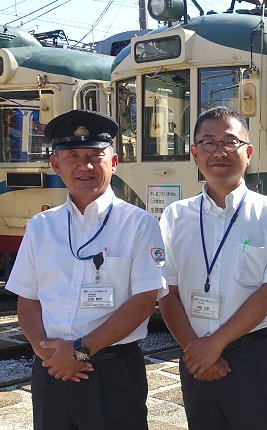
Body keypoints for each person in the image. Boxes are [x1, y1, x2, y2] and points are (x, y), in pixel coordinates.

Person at [5, 109, 167, 429]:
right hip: (51, 372)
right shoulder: (41, 226)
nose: (85, 165)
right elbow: (28, 298)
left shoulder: (139, 224)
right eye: (73, 155)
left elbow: (145, 300)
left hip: (113, 372)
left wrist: (79, 353)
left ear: (114, 162)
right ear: (56, 165)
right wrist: (44, 351)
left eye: (95, 155)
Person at [158, 106, 267, 430]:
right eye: (208, 142)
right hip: (194, 356)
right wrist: (196, 349)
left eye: (230, 142)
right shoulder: (176, 217)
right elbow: (166, 290)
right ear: (194, 153)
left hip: (254, 358)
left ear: (248, 152)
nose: (219, 151)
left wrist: (214, 345)